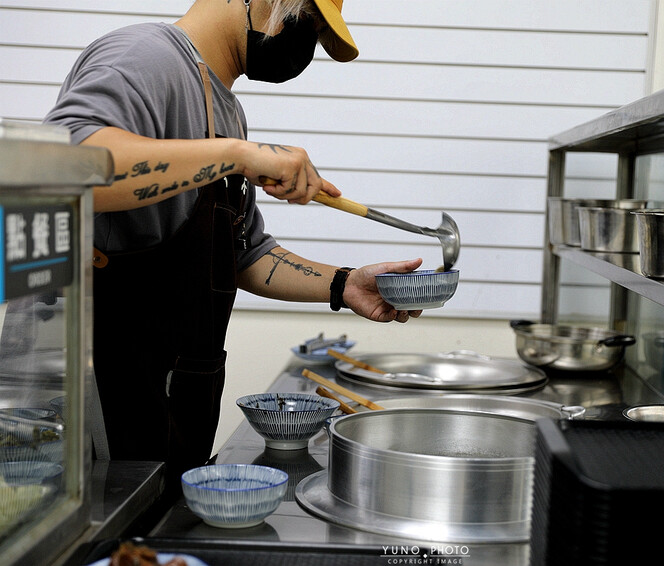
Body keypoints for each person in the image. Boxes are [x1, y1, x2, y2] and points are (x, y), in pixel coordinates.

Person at [43, 0, 422, 494]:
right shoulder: (144, 56)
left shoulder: (226, 110)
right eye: (306, 22)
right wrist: (235, 155)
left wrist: (345, 284)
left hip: (169, 395)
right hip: (94, 399)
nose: (305, 46)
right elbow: (66, 165)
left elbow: (244, 254)